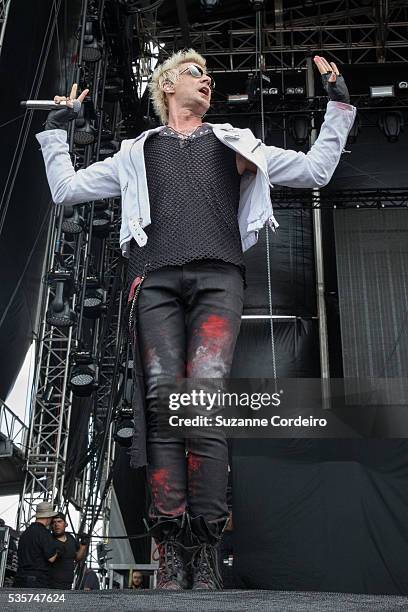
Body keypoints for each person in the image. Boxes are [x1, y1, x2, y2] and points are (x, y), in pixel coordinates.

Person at [35, 50, 355, 590]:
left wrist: (339, 105)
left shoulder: (234, 144)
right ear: (165, 85)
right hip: (153, 280)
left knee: (201, 403)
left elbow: (316, 168)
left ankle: (203, 546)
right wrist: (54, 132)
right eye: (194, 73)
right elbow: (66, 190)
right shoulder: (137, 153)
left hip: (217, 278)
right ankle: (168, 548)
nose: (206, 80)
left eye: (208, 74)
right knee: (162, 409)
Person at [14, 502, 61, 588]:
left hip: (20, 578)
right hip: (36, 581)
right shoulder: (44, 533)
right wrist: (58, 549)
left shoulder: (25, 533)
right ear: (49, 517)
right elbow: (51, 558)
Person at [48, 513, 89, 590]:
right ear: (51, 526)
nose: (56, 524)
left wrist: (83, 546)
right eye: (54, 522)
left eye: (59, 521)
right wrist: (56, 553)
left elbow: (77, 558)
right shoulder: (49, 540)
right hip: (51, 584)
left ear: (66, 524)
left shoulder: (70, 538)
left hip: (68, 583)